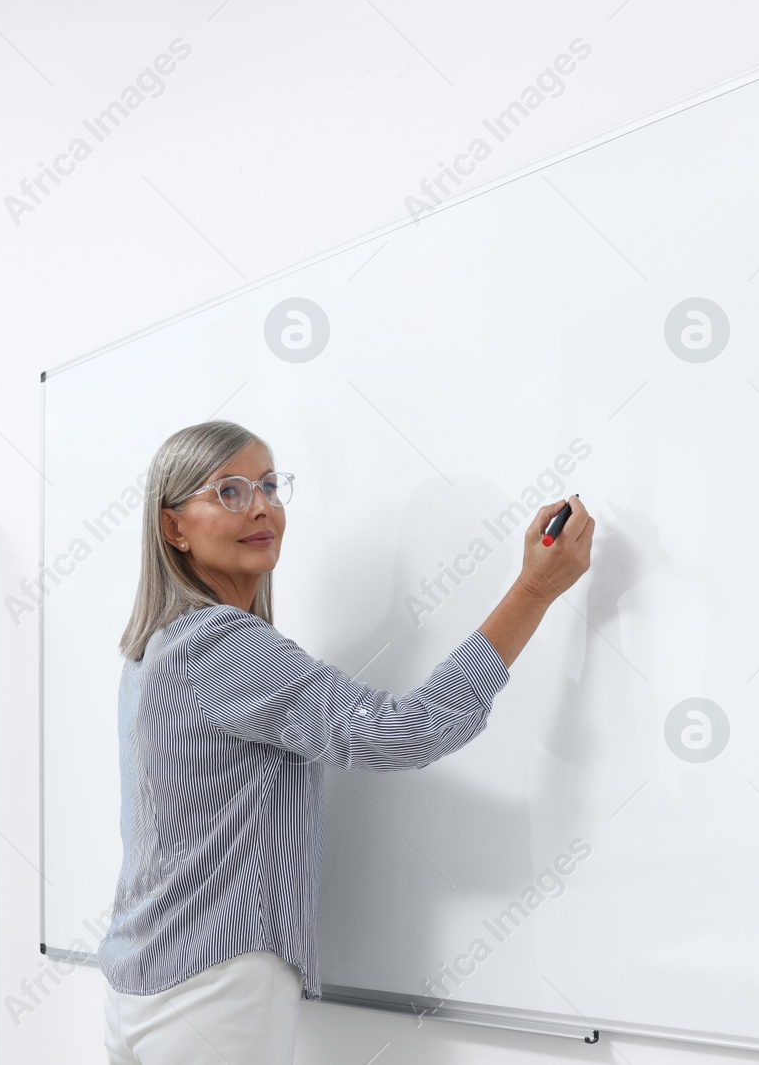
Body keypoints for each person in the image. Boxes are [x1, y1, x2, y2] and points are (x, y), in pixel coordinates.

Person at [98, 419, 593, 1064]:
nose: (262, 507)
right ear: (173, 528)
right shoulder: (215, 643)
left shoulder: (156, 647)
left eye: (271, 486)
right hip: (211, 986)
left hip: (137, 984)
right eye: (229, 491)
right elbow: (402, 736)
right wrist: (533, 589)